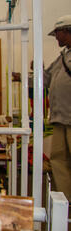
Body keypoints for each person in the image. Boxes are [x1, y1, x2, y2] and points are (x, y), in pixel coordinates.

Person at [43, 14, 71, 201]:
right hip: (61, 118)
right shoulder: (62, 57)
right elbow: (45, 79)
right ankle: (65, 201)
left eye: (58, 34)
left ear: (67, 31)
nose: (56, 38)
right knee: (58, 160)